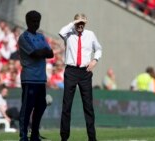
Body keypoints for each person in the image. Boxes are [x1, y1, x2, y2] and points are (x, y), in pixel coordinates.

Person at [59, 13, 102, 141]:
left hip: (85, 72)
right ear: (74, 23)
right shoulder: (69, 33)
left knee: (88, 106)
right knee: (67, 106)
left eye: (83, 23)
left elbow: (99, 49)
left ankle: (92, 138)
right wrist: (74, 22)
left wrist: (95, 60)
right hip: (71, 71)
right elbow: (60, 32)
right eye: (79, 22)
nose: (81, 25)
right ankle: (64, 137)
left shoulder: (90, 34)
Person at [18, 10, 54, 141]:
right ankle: (23, 135)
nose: (36, 23)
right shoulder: (24, 37)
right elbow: (35, 53)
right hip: (29, 77)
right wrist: (43, 51)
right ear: (27, 21)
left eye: (38, 21)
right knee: (27, 108)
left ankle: (34, 134)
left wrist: (42, 52)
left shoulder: (41, 36)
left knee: (40, 107)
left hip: (41, 79)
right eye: (33, 21)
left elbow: (51, 54)